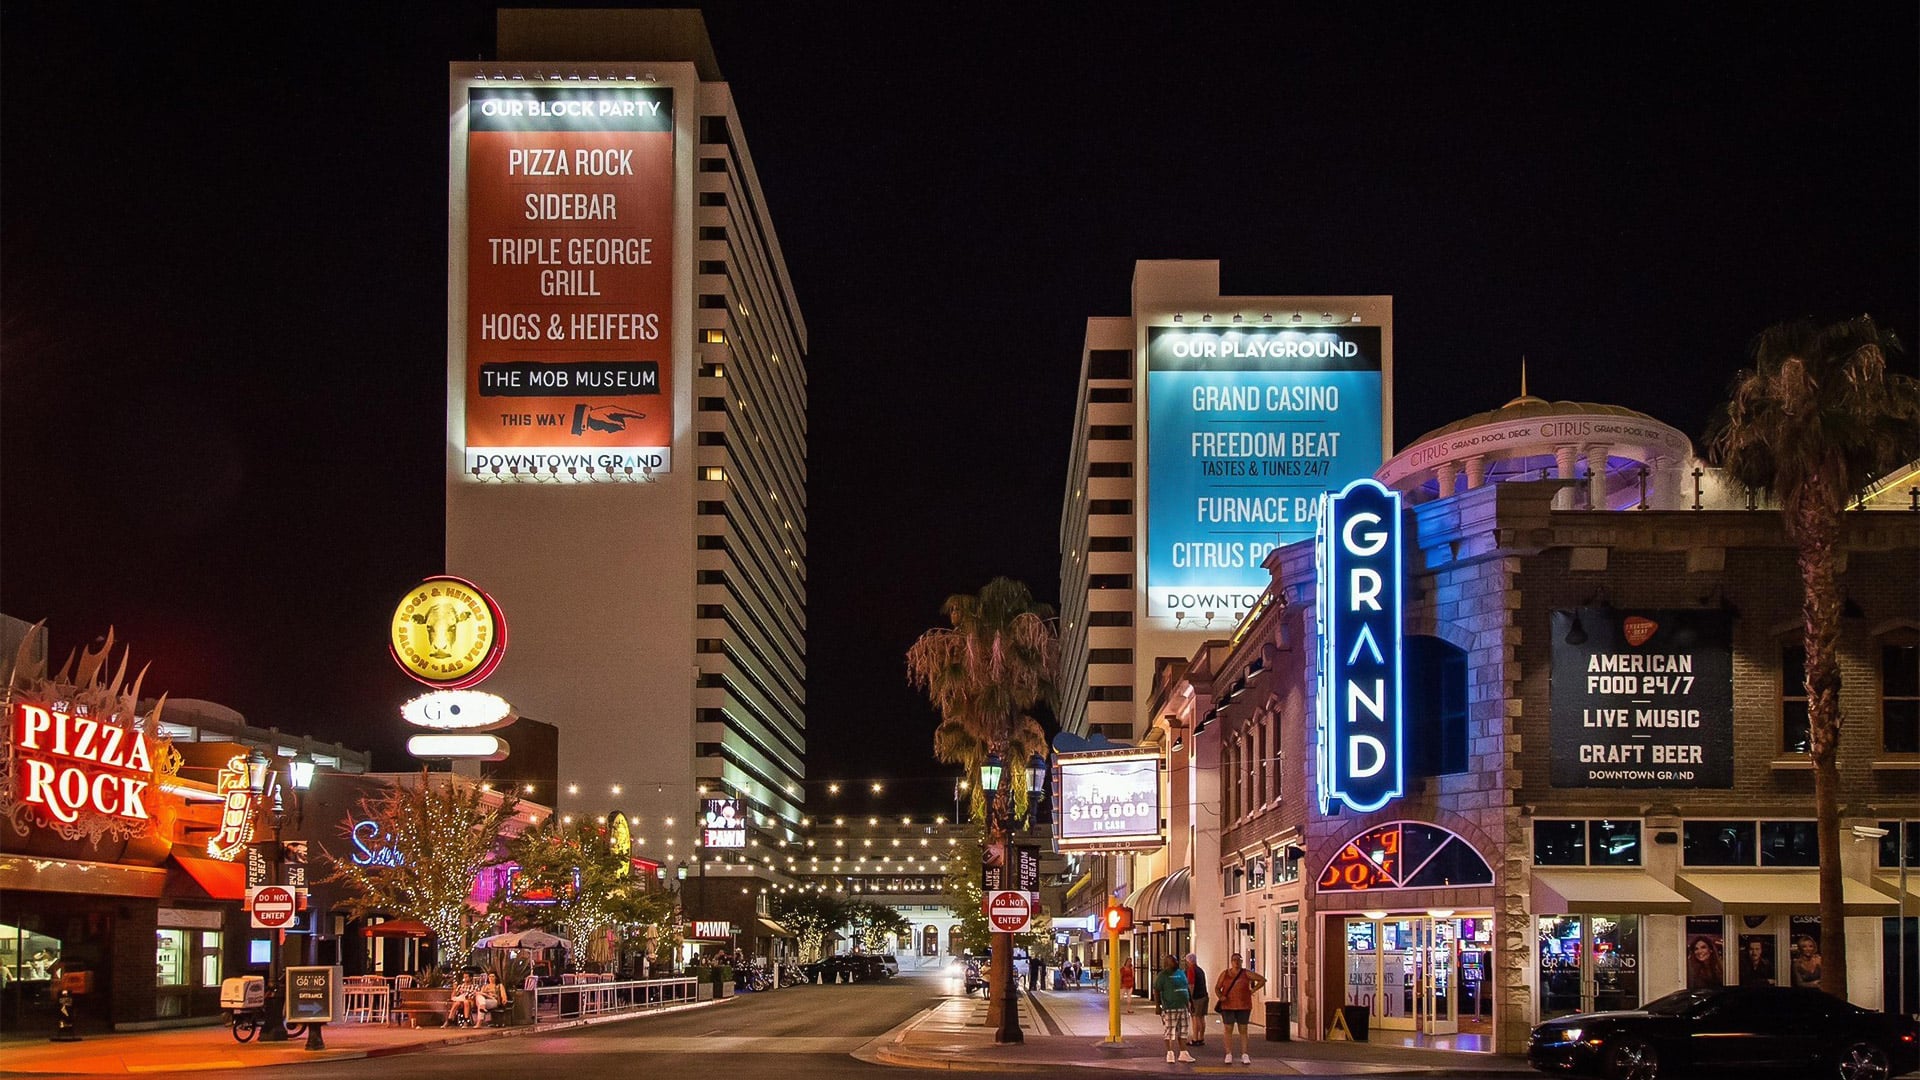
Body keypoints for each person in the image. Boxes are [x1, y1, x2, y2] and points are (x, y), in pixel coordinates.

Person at [1215, 951, 1267, 1065]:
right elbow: (1217, 987)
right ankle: (1228, 1053)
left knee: (1243, 1029)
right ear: (1231, 961)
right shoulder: (1225, 974)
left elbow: (1262, 980)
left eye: (1239, 960)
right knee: (1228, 1028)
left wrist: (1253, 990)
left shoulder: (1246, 973)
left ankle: (1245, 1053)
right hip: (1228, 1005)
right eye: (1234, 960)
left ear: (1241, 961)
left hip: (1243, 1005)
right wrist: (1221, 996)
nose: (1236, 962)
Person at [1153, 955, 1193, 1064]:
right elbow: (1156, 990)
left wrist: (1190, 1004)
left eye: (1176, 960)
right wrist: (1158, 1006)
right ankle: (1170, 1053)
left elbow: (1186, 988)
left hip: (1183, 1007)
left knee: (1183, 1030)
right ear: (1166, 963)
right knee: (1170, 1031)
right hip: (1170, 1007)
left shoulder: (1181, 973)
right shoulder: (1162, 975)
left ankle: (1183, 1053)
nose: (1176, 962)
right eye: (1173, 961)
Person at [1183, 952, 1209, 1047]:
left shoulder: (1191, 970)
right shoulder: (1200, 970)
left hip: (1196, 997)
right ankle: (1201, 1038)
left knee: (1195, 1017)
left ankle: (1195, 1038)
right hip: (1204, 995)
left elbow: (1191, 985)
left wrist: (1190, 998)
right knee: (1201, 1018)